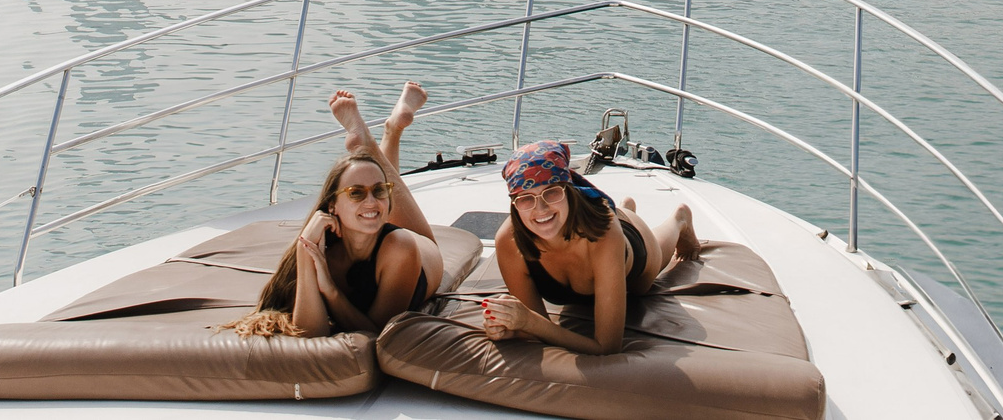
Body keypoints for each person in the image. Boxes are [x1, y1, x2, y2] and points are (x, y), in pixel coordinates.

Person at [234, 83, 445, 337]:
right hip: (367, 233)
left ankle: (374, 141)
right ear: (331, 204)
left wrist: (331, 292)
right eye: (355, 193)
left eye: (380, 192)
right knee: (374, 188)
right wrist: (304, 250)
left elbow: (377, 334)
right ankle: (389, 132)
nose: (370, 201)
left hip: (423, 258)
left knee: (376, 196)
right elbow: (308, 331)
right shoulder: (321, 246)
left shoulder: (402, 246)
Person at [478, 140, 702, 354]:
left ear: (569, 189)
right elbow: (536, 332)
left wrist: (527, 323)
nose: (541, 209)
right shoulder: (509, 239)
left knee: (643, 285)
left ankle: (678, 220)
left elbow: (607, 347)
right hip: (599, 230)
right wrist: (512, 328)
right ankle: (627, 208)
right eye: (526, 198)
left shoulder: (603, 235)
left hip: (625, 244)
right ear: (514, 204)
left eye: (552, 192)